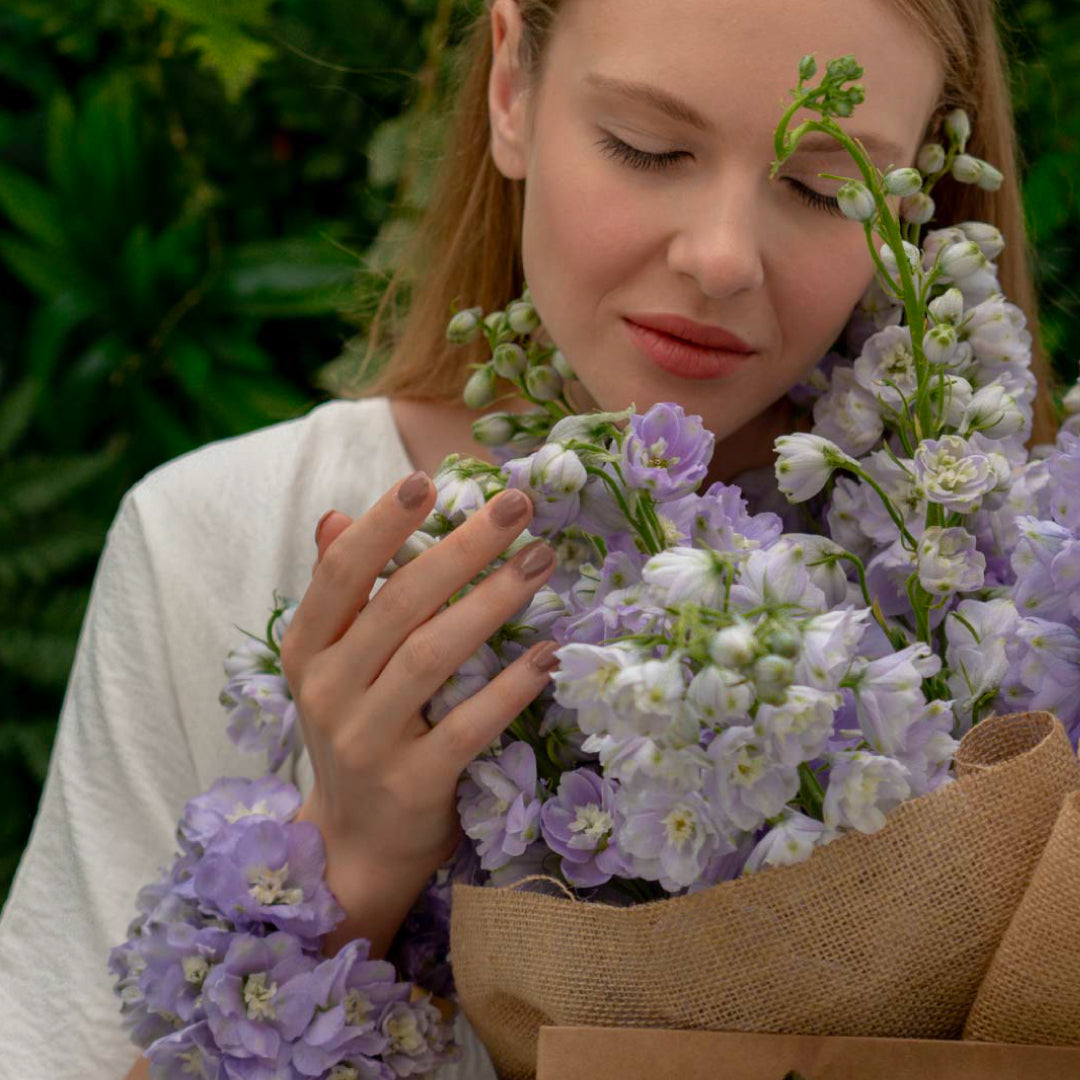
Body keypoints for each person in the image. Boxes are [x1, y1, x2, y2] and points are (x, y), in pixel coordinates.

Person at [0, 0, 1056, 1077]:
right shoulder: (221, 537)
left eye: (824, 186)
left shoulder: (1016, 597)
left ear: (924, 186)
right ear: (512, 86)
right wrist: (344, 880)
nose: (722, 257)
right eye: (649, 147)